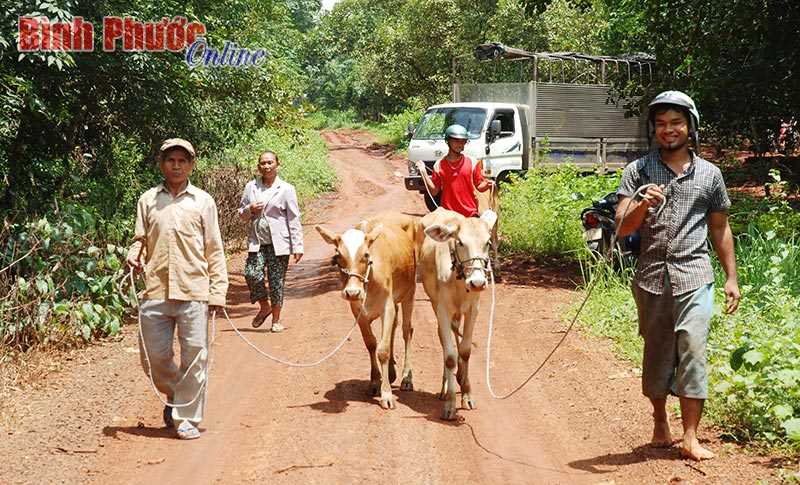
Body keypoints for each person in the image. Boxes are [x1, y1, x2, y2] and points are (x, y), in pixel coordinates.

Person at [615, 91, 740, 461]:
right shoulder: (637, 171)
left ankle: (690, 437)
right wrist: (641, 204)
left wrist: (731, 277)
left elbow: (720, 229)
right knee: (656, 353)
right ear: (654, 129)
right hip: (651, 276)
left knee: (692, 349)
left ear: (690, 127)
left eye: (676, 123)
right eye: (661, 124)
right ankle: (659, 419)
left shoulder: (710, 175)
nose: (668, 130)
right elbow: (622, 228)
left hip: (695, 275)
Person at [126, 138, 228, 440]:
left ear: (192, 165)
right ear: (161, 164)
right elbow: (139, 240)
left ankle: (186, 418)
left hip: (194, 290)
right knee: (154, 358)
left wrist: (217, 292)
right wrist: (134, 254)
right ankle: (175, 395)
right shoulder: (147, 200)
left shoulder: (203, 202)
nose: (177, 165)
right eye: (171, 160)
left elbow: (214, 248)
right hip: (155, 290)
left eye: (183, 160)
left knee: (196, 356)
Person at [238, 150, 304, 332]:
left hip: (279, 244)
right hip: (257, 241)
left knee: (276, 282)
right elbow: (241, 214)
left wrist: (297, 245)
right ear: (258, 167)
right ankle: (264, 307)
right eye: (263, 163)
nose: (266, 166)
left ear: (277, 164)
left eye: (270, 162)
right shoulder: (251, 187)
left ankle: (276, 320)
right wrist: (250, 209)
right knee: (252, 274)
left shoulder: (286, 189)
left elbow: (293, 218)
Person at [415, 124, 494, 218]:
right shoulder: (439, 165)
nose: (460, 144)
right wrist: (423, 172)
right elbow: (434, 192)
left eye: (463, 141)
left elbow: (479, 186)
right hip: (448, 216)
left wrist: (487, 185)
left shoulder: (473, 162)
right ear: (447, 141)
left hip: (470, 215)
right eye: (456, 141)